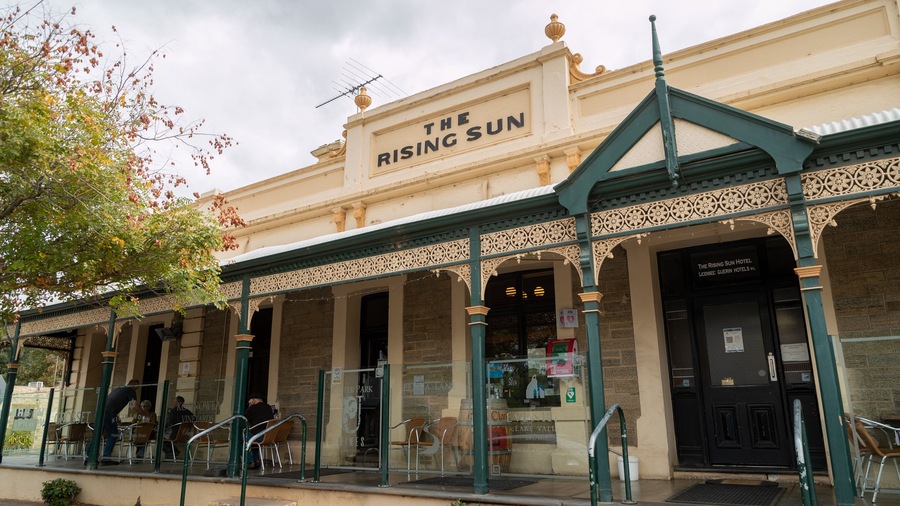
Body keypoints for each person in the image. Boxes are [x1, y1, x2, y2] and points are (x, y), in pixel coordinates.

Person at [101, 379, 150, 465]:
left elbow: (110, 403)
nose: (137, 389)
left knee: (98, 435)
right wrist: (145, 414)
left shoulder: (118, 390)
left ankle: (88, 457)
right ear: (133, 385)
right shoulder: (130, 391)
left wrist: (115, 416)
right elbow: (134, 406)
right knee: (113, 434)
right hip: (109, 413)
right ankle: (106, 457)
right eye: (137, 387)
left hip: (101, 412)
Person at [243, 392, 274, 469]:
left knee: (242, 437)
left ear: (253, 400)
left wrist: (250, 406)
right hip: (268, 436)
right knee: (253, 437)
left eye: (249, 401)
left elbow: (243, 418)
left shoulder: (253, 408)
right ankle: (256, 460)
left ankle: (249, 461)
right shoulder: (268, 407)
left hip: (259, 437)